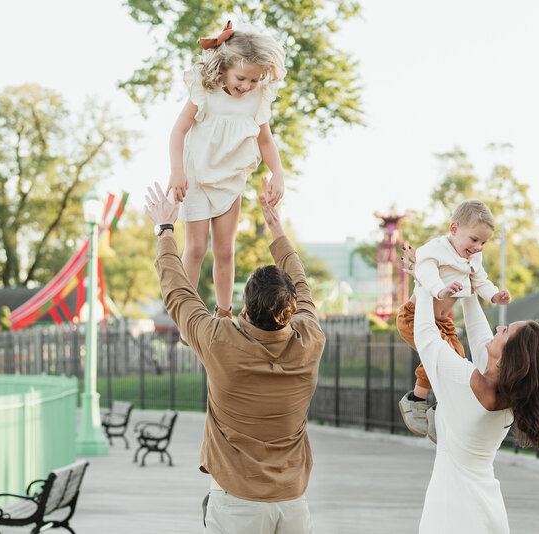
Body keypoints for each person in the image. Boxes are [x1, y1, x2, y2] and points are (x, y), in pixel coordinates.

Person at [146, 180, 324, 533]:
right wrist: (277, 229)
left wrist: (166, 230)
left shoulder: (219, 341)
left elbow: (178, 294)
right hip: (293, 506)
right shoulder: (310, 340)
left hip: (235, 504)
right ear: (292, 309)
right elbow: (301, 284)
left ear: (245, 310)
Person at [403, 248, 539, 534]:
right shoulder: (508, 392)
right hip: (485, 508)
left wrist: (425, 280)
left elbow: (425, 336)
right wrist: (468, 281)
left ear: (511, 357)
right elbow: (479, 333)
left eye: (506, 331)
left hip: (451, 514)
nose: (499, 327)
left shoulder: (469, 383)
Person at [167, 20, 287, 319]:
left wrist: (279, 173)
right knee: (195, 248)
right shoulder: (205, 91)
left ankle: (223, 313)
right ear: (224, 67)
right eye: (241, 78)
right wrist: (176, 171)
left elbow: (266, 141)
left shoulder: (257, 99)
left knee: (224, 250)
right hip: (195, 176)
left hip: (231, 178)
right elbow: (178, 132)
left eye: (255, 80)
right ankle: (186, 314)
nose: (247, 86)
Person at [397, 200, 511, 441]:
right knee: (440, 358)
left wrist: (494, 295)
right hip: (413, 316)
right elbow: (424, 273)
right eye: (474, 240)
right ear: (454, 229)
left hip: (444, 322)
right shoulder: (435, 249)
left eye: (483, 242)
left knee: (457, 360)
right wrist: (441, 290)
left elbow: (480, 281)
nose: (478, 247)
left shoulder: (473, 259)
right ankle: (416, 401)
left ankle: (442, 408)